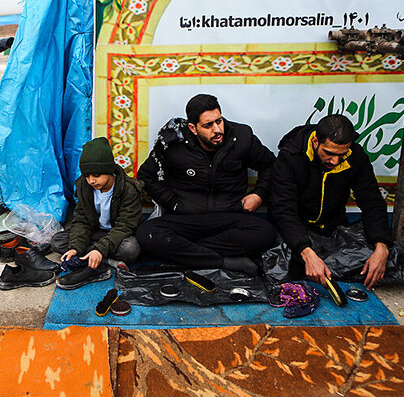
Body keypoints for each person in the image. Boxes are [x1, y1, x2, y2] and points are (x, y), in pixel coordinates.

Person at [136, 94, 276, 274]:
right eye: (208, 125)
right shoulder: (173, 143)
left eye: (219, 121)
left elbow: (270, 165)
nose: (217, 129)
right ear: (193, 128)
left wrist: (259, 194)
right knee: (147, 233)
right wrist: (174, 203)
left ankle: (186, 254)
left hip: (228, 216)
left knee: (265, 233)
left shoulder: (242, 137)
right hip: (187, 217)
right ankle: (224, 261)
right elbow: (146, 176)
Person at [270, 114, 391, 289]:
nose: (335, 161)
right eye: (329, 153)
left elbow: (372, 201)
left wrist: (382, 247)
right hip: (296, 233)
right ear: (315, 142)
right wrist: (307, 252)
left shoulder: (355, 157)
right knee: (280, 260)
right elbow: (283, 210)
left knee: (387, 255)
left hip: (332, 230)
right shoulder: (291, 157)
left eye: (341, 155)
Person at [51, 137, 143, 290]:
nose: (91, 181)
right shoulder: (83, 186)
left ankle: (95, 256)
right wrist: (75, 247)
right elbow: (82, 221)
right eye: (87, 176)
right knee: (57, 241)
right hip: (96, 232)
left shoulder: (128, 189)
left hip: (119, 235)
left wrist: (100, 249)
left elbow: (125, 226)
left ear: (108, 170)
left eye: (96, 175)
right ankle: (104, 261)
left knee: (131, 248)